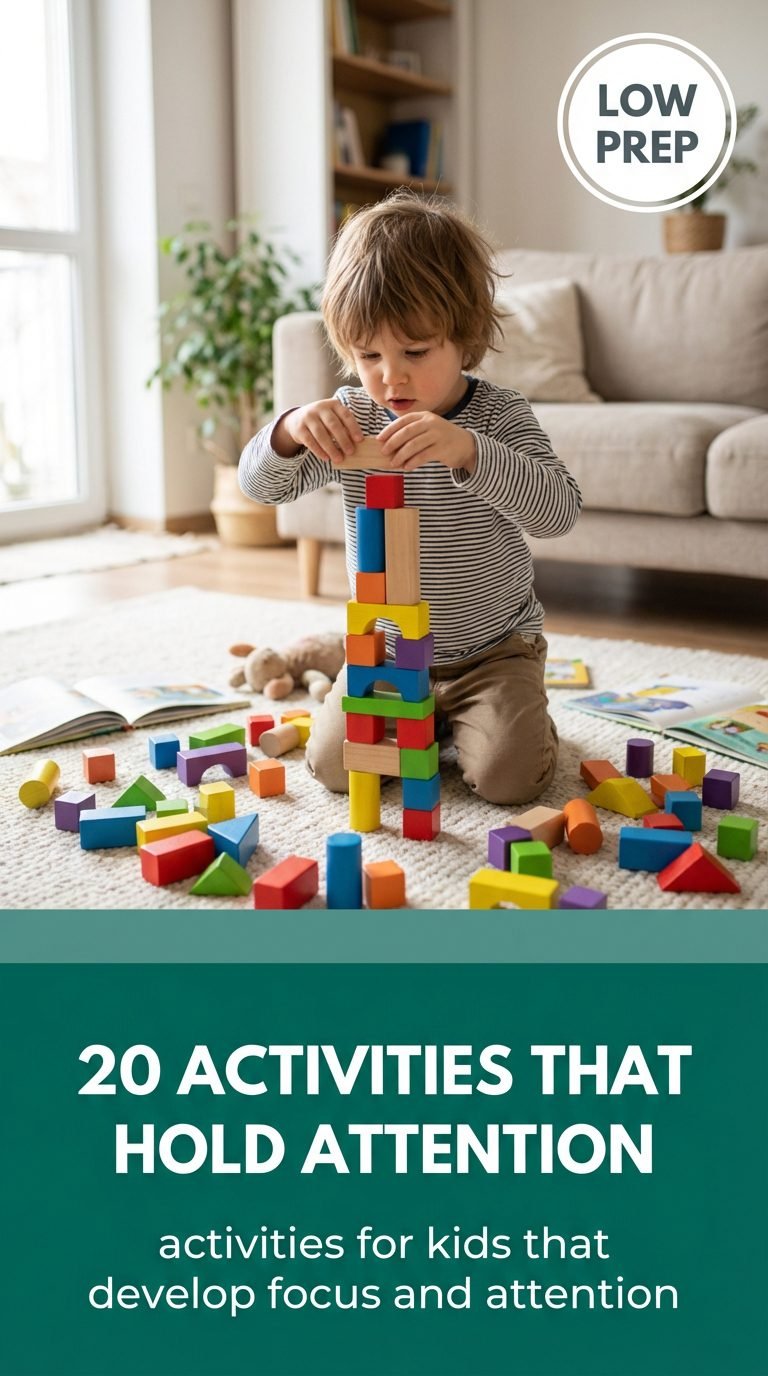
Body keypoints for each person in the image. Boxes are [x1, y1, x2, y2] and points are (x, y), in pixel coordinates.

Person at [239, 192, 582, 805]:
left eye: (415, 353)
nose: (390, 376)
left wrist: (471, 452)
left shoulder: (500, 416)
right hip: (388, 655)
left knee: (510, 780)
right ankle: (401, 702)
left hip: (492, 652)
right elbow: (261, 487)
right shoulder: (352, 416)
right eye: (369, 355)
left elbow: (559, 511)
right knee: (337, 768)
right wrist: (289, 430)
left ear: (465, 336)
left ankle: (498, 716)